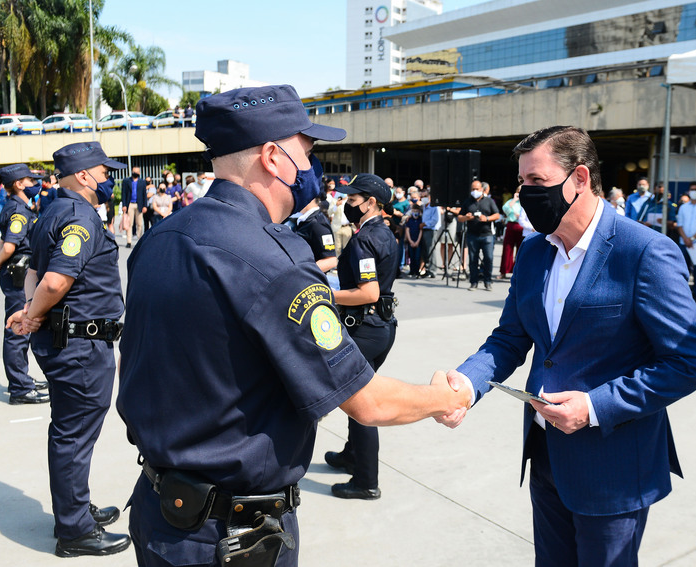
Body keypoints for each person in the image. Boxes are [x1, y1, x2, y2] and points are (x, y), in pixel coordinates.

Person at [115, 85, 471, 567]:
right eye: (305, 153)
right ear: (272, 157)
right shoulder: (273, 260)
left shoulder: (159, 239)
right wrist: (445, 398)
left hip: (159, 512)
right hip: (231, 536)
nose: (310, 170)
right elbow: (367, 401)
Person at [436, 126, 696, 566]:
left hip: (613, 467)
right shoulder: (533, 252)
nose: (525, 192)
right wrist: (467, 385)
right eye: (522, 182)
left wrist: (595, 406)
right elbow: (511, 337)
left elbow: (689, 361)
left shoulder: (644, 252)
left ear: (579, 178)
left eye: (537, 182)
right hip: (546, 455)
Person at [6, 142, 130, 557]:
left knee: (71, 432)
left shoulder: (51, 212)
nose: (108, 179)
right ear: (83, 176)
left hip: (67, 340)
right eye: (103, 171)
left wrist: (30, 311)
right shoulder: (78, 216)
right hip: (79, 344)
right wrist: (33, 314)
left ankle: (75, 509)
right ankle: (75, 531)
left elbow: (35, 272)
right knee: (74, 436)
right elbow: (55, 282)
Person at [325, 173, 400, 500]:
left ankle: (366, 481)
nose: (346, 204)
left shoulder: (365, 239)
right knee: (358, 397)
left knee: (361, 403)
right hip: (379, 326)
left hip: (366, 327)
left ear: (370, 203)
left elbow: (368, 292)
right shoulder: (383, 233)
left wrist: (325, 293)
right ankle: (352, 455)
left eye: (352, 200)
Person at [0, 164, 49, 404]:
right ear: (19, 184)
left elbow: (4, 240)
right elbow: (10, 245)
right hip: (19, 275)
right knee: (18, 331)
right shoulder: (20, 211)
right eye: (30, 181)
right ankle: (20, 388)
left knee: (20, 329)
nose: (34, 184)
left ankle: (22, 379)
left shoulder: (14, 206)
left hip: (16, 271)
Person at [457, 179, 500, 290]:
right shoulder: (467, 202)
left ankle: (488, 281)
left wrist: (486, 218)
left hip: (487, 235)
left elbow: (497, 215)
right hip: (472, 235)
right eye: (473, 189)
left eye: (477, 189)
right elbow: (459, 218)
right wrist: (467, 217)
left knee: (488, 258)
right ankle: (473, 282)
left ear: (482, 189)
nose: (475, 191)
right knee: (473, 259)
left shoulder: (489, 201)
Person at [295, 195, 338, 273]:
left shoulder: (318, 223)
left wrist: (301, 273)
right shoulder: (305, 219)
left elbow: (331, 260)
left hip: (307, 280)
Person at [500, 186, 524, 278]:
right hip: (511, 224)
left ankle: (518, 272)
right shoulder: (511, 201)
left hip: (522, 226)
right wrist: (514, 200)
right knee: (507, 248)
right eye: (518, 191)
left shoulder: (527, 201)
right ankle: (503, 271)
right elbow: (505, 209)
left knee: (520, 250)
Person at [121, 166, 146, 248]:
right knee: (129, 223)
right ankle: (129, 241)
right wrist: (124, 205)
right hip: (130, 204)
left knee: (139, 224)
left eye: (137, 171)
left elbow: (144, 194)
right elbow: (123, 193)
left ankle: (139, 240)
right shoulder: (126, 181)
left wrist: (144, 205)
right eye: (134, 171)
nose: (135, 173)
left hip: (139, 204)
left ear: (139, 173)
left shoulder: (142, 182)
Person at [419, 187, 440, 278]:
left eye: (425, 196)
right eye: (422, 196)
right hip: (424, 229)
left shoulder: (434, 207)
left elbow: (435, 220)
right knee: (425, 250)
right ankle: (427, 268)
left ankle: (433, 270)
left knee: (431, 249)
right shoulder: (424, 206)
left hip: (431, 229)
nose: (423, 198)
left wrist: (425, 224)